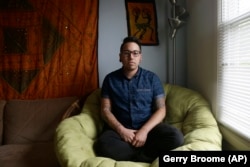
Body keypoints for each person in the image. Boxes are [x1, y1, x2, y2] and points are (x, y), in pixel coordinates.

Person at [94, 36, 183, 163]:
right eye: (127, 53)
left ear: (140, 57)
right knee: (102, 145)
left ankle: (136, 155)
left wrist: (144, 131)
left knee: (176, 137)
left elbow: (161, 109)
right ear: (120, 57)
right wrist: (122, 130)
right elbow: (105, 110)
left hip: (149, 129)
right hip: (120, 131)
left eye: (135, 53)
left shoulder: (152, 79)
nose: (131, 57)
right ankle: (146, 155)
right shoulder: (110, 79)